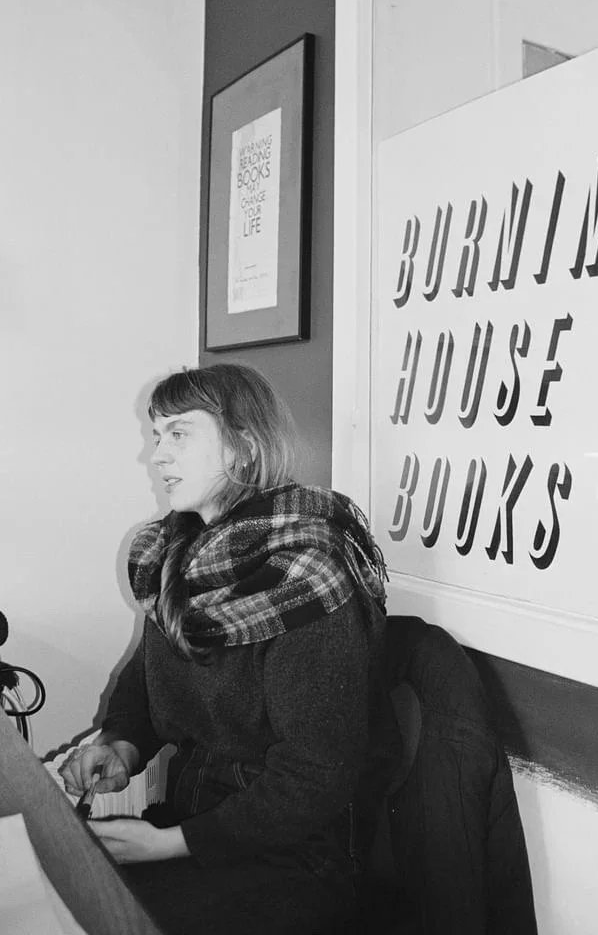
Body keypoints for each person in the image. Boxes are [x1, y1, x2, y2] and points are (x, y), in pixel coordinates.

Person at [60, 363, 397, 935]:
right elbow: (147, 687)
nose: (157, 455)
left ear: (242, 448)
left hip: (292, 860)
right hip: (192, 823)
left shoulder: (306, 574)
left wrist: (170, 845)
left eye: (179, 434)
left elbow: (317, 775)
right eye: (156, 434)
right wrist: (121, 745)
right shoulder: (175, 559)